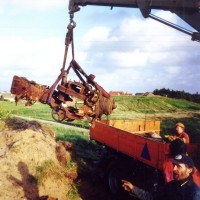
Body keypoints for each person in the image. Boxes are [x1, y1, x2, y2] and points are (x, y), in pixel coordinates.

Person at [122, 154, 200, 200]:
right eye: (174, 165)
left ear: (189, 170)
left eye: (178, 166)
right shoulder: (172, 185)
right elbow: (151, 196)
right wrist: (133, 189)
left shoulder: (194, 193)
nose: (174, 169)